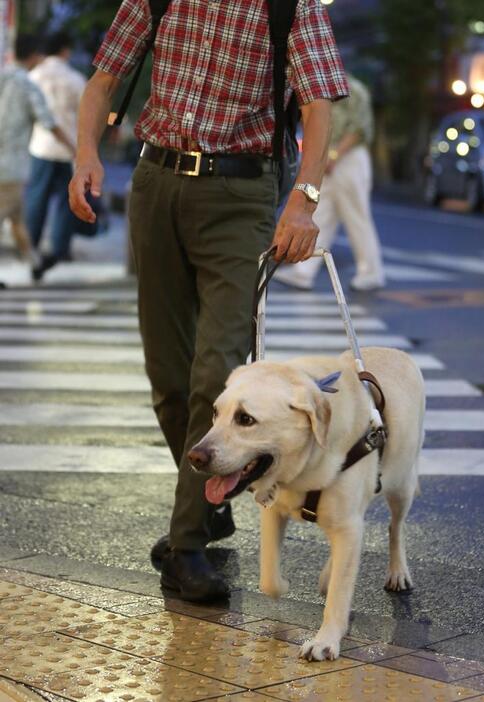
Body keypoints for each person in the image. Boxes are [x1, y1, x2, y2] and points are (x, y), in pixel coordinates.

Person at [69, 0, 348, 602]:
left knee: (214, 373)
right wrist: (86, 155)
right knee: (168, 376)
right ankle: (210, 498)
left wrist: (303, 199)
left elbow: (318, 103)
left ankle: (187, 547)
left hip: (241, 192)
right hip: (156, 187)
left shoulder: (289, 7)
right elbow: (103, 81)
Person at [274, 74, 386, 292]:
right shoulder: (319, 88)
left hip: (350, 158)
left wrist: (334, 155)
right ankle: (303, 271)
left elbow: (359, 129)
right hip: (328, 158)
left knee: (356, 215)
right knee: (321, 214)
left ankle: (371, 272)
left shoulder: (356, 89)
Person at [0, 34, 73, 270]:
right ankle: (33, 261)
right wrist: (75, 149)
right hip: (10, 165)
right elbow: (48, 121)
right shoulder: (27, 84)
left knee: (17, 217)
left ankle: (33, 261)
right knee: (7, 212)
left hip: (8, 166)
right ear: (34, 56)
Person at [26, 31, 85, 281]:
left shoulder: (33, 76)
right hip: (68, 149)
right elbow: (86, 114)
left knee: (36, 198)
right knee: (65, 201)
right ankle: (58, 249)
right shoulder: (75, 79)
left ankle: (30, 247)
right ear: (65, 50)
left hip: (39, 146)